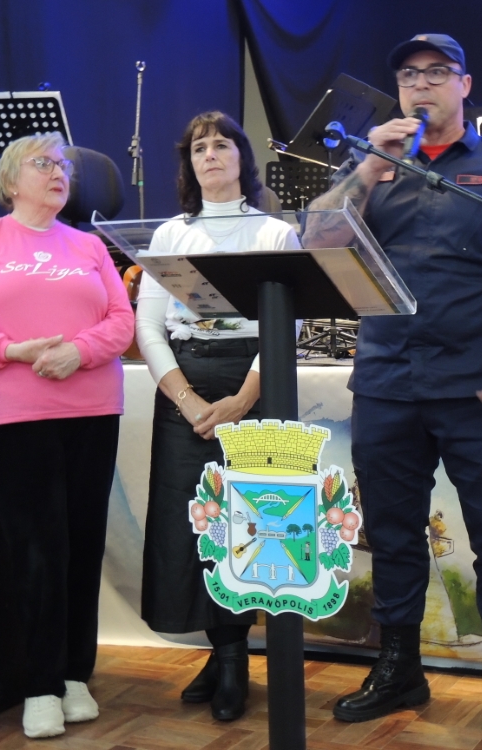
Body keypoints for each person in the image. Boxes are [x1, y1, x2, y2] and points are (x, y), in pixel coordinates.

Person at [310, 34, 482, 745]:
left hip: (477, 386)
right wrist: (366, 166)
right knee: (392, 538)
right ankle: (399, 670)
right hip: (386, 382)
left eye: (436, 73)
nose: (421, 85)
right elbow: (318, 240)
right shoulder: (373, 167)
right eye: (409, 76)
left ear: (464, 85)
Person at [0, 133, 135, 739]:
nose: (58, 171)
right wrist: (12, 351)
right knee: (37, 549)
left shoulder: (88, 245)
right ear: (10, 179)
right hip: (19, 412)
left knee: (83, 541)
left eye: (64, 164)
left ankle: (75, 675)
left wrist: (79, 351)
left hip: (94, 406)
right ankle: (40, 685)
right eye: (43, 162)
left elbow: (121, 322)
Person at [134, 111, 300, 722]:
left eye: (221, 144)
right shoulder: (169, 235)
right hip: (185, 389)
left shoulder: (274, 233)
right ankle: (224, 653)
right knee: (194, 527)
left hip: (253, 380)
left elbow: (288, 324)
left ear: (242, 158)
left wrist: (245, 398)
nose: (209, 154)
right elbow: (148, 327)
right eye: (198, 147)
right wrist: (188, 401)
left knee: (249, 524)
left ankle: (235, 660)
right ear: (189, 164)